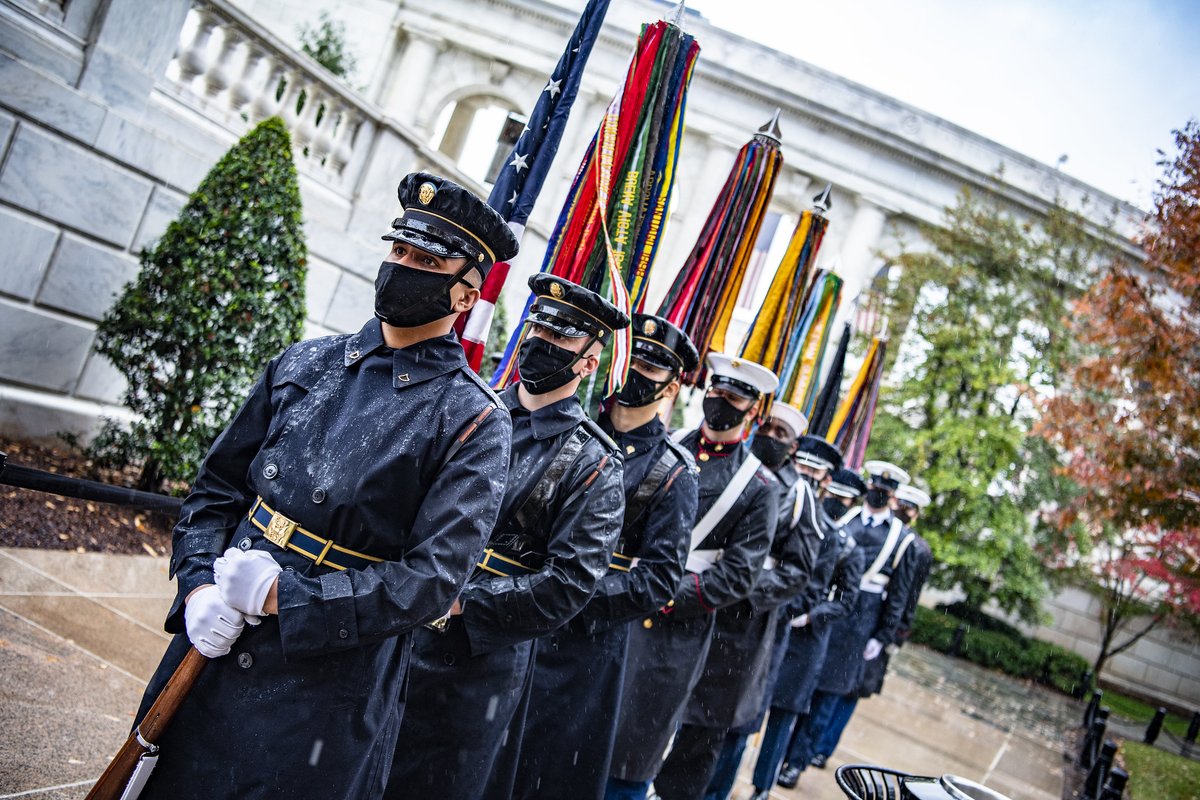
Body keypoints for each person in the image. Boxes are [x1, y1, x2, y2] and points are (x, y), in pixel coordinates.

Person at [130, 172, 519, 799]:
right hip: (214, 648)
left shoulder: (471, 417)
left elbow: (432, 581)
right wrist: (199, 585)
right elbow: (214, 492)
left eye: (425, 261)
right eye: (398, 251)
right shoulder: (303, 363)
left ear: (463, 296)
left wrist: (292, 599)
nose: (402, 268)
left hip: (324, 692)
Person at [385, 274, 627, 800]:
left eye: (562, 338)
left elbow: (569, 583)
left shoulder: (594, 463)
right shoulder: (471, 408)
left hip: (474, 661)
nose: (542, 342)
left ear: (589, 361)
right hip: (397, 623)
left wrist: (459, 607)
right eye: (538, 327)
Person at [511, 313, 701, 799]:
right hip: (515, 615)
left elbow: (658, 581)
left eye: (652, 367)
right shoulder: (570, 428)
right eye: (632, 358)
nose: (637, 371)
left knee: (546, 771)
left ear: (672, 387)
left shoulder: (673, 471)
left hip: (584, 640)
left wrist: (569, 596)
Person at [606, 353, 779, 800]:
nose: (721, 401)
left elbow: (737, 575)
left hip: (674, 626)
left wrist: (663, 594)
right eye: (717, 391)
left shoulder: (758, 486)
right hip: (619, 598)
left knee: (633, 746)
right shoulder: (667, 443)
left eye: (734, 397)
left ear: (753, 410)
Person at [702, 407, 824, 800]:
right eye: (766, 427)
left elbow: (798, 570)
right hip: (701, 599)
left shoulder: (799, 493)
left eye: (781, 432)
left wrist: (744, 592)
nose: (770, 435)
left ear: (793, 445)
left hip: (746, 622)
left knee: (728, 717)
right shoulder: (736, 469)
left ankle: (714, 793)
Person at [787, 460, 918, 777]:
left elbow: (899, 594)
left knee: (830, 695)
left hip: (861, 623)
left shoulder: (901, 538)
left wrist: (882, 636)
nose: (877, 495)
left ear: (893, 497)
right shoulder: (845, 518)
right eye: (874, 488)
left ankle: (797, 762)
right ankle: (785, 752)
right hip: (829, 611)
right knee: (805, 686)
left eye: (884, 492)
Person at [775, 464, 867, 789]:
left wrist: (813, 615)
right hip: (782, 616)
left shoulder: (851, 540)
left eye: (844, 499)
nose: (836, 502)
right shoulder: (808, 516)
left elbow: (846, 597)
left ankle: (793, 762)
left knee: (808, 703)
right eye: (834, 495)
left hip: (818, 630)